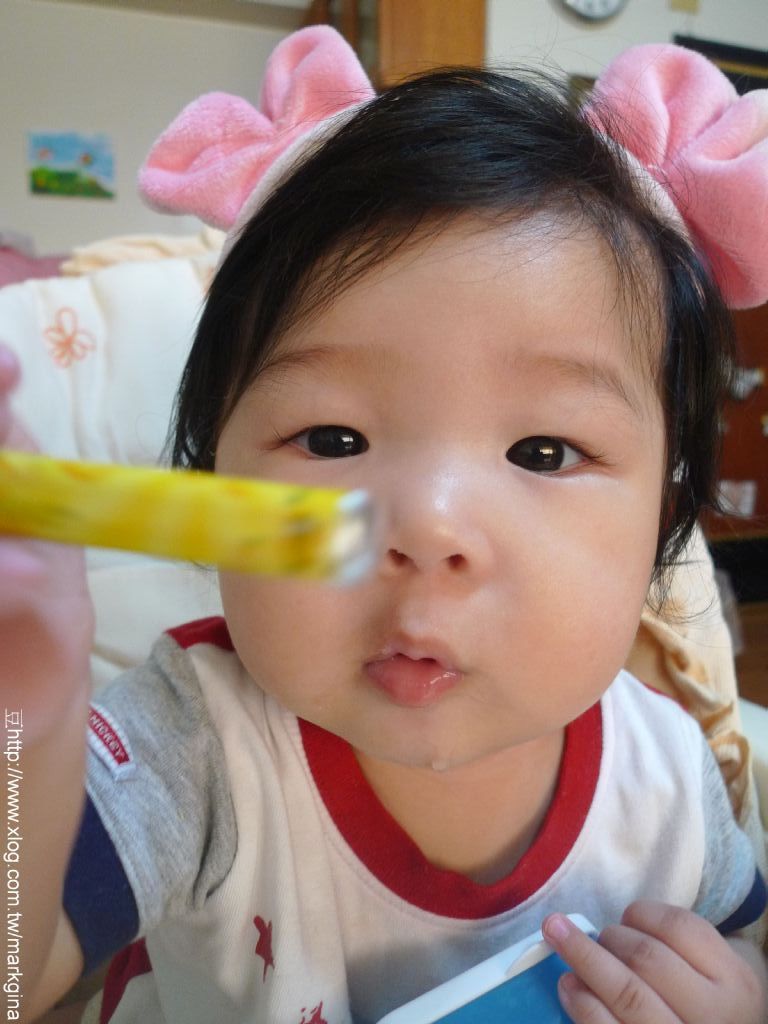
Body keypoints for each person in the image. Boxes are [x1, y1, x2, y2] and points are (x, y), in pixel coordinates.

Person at [10, 26, 768, 1024]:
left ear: (660, 526)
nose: (431, 527)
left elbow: (735, 935)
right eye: (333, 438)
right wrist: (33, 720)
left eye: (543, 452)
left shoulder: (667, 775)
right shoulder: (193, 749)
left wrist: (739, 993)